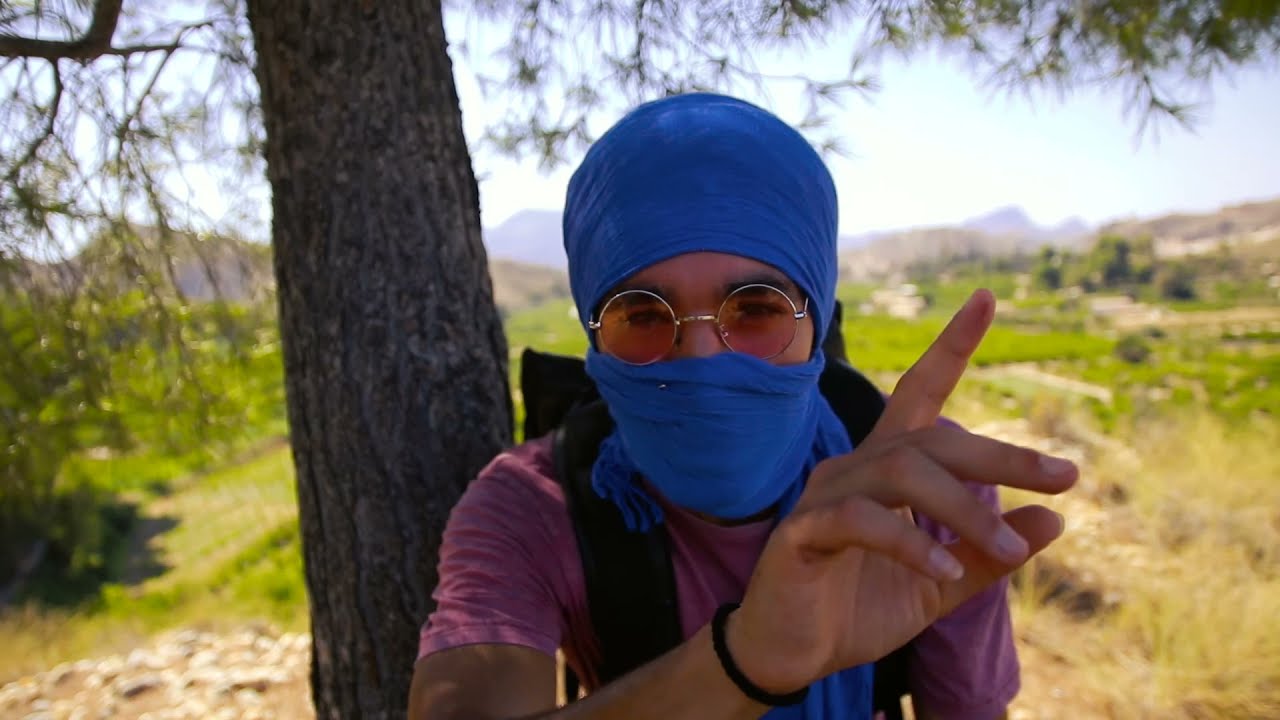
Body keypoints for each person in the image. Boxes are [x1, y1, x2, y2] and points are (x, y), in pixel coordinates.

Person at [408, 93, 1076, 720]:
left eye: (755, 309)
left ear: (815, 320)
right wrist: (746, 663)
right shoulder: (530, 507)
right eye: (642, 315)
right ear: (595, 336)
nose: (702, 359)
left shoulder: (922, 488)